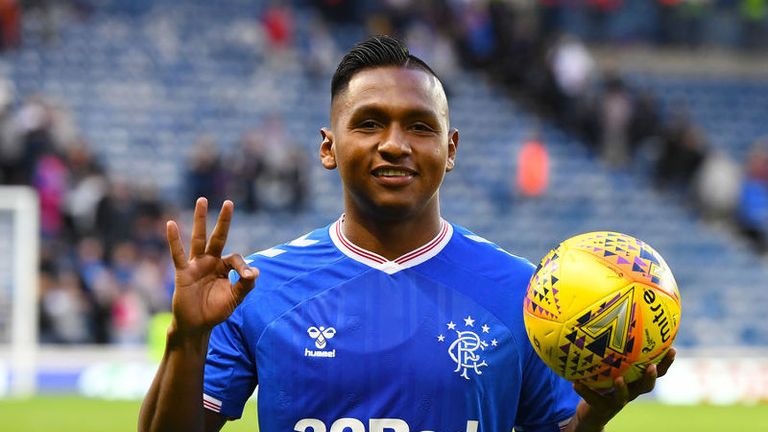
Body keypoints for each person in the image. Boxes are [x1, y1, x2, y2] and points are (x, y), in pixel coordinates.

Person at [139, 35, 675, 432]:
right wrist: (186, 340)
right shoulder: (259, 287)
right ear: (328, 147)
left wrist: (596, 415)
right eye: (369, 123)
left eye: (420, 127)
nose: (395, 144)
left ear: (452, 148)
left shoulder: (529, 294)